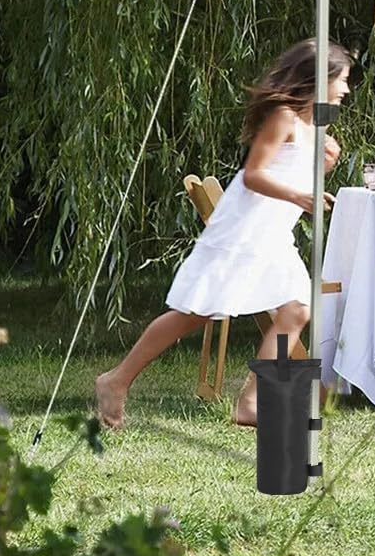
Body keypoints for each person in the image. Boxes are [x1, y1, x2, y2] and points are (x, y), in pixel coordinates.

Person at [95, 39, 348, 430]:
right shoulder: (282, 116)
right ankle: (117, 379)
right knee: (192, 313)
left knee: (297, 309)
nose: (345, 89)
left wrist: (321, 167)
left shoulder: (314, 125)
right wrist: (300, 194)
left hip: (273, 235)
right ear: (320, 79)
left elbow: (290, 172)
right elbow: (254, 175)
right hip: (244, 231)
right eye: (342, 79)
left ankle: (252, 401)